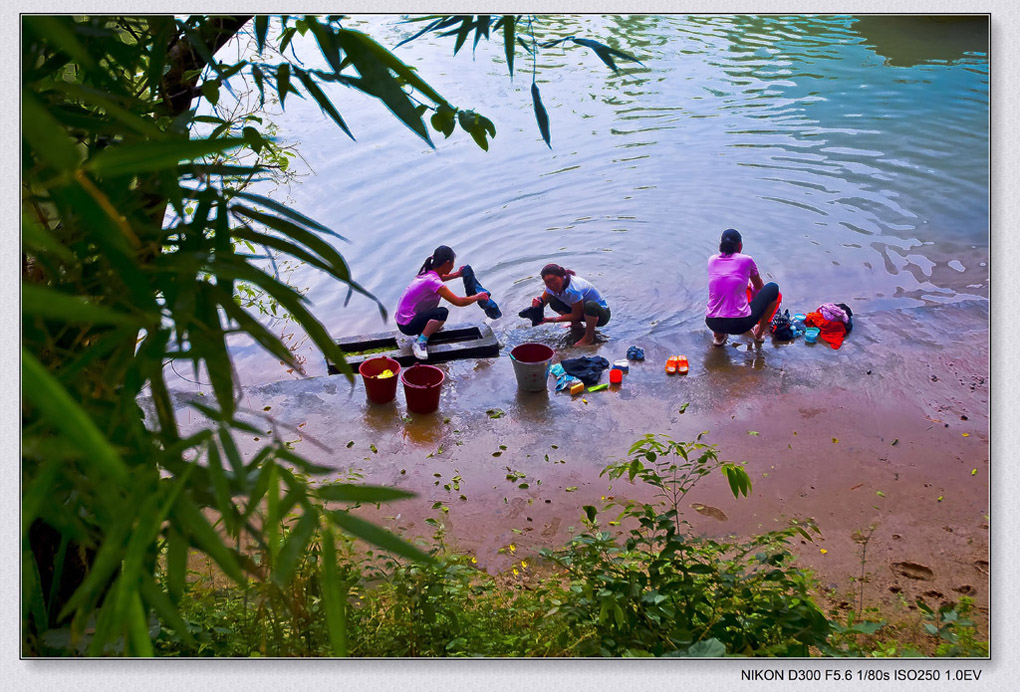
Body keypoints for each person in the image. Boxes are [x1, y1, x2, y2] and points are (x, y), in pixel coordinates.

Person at [396, 245, 489, 360]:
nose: (453, 266)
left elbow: (441, 278)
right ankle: (421, 342)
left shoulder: (427, 272)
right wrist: (477, 297)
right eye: (453, 263)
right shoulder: (434, 282)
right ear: (447, 263)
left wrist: (457, 275)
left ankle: (426, 328)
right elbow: (458, 302)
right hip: (408, 325)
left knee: (436, 313)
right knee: (442, 313)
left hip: (402, 320)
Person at [705, 228, 780, 347]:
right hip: (740, 325)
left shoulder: (712, 260)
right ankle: (759, 333)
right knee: (773, 288)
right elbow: (758, 286)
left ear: (721, 244)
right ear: (739, 246)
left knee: (719, 295)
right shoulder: (746, 260)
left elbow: (723, 283)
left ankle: (718, 337)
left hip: (711, 322)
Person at [530, 263, 611, 346]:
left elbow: (577, 315)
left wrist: (550, 320)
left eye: (553, 280)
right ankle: (576, 325)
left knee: (590, 306)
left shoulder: (573, 289)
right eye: (547, 282)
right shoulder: (550, 287)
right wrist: (537, 305)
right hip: (582, 311)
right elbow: (542, 304)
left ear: (561, 277)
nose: (552, 285)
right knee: (554, 302)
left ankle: (588, 338)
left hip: (601, 315)